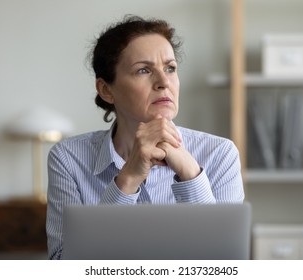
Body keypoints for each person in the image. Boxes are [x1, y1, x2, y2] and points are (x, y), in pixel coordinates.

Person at [46, 15, 244, 260]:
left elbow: (226, 264)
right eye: (143, 70)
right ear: (106, 90)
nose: (164, 82)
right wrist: (127, 179)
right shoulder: (68, 158)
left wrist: (191, 175)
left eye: (170, 68)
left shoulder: (219, 154)